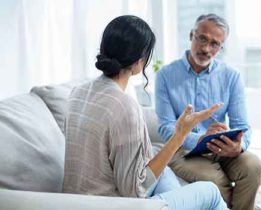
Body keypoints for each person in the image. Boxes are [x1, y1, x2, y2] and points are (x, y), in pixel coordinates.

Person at [62, 15, 227, 210]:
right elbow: (134, 191)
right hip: (113, 205)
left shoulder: (77, 92)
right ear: (140, 61)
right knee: (211, 191)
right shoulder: (124, 107)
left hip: (74, 203)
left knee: (164, 172)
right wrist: (179, 135)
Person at [155, 13, 261, 210]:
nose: (206, 49)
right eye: (202, 39)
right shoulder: (165, 75)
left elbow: (242, 126)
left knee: (254, 167)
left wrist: (239, 146)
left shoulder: (231, 76)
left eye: (214, 44)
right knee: (215, 180)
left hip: (221, 147)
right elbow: (165, 127)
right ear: (191, 35)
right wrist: (197, 139)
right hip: (182, 150)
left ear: (221, 47)